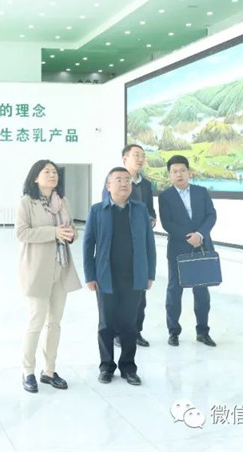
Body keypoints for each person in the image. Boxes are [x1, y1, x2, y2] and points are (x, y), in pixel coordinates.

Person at [84, 167, 156, 386]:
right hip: (105, 276)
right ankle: (106, 366)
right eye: (118, 180)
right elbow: (88, 245)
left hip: (134, 276)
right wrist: (90, 276)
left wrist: (150, 273)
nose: (124, 183)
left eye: (127, 180)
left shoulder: (140, 210)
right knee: (106, 324)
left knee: (129, 325)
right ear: (108, 186)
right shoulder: (97, 210)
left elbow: (149, 244)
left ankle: (128, 368)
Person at [16, 160, 82, 393]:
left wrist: (70, 234)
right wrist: (53, 232)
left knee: (54, 323)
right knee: (36, 321)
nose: (53, 175)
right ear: (35, 177)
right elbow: (21, 233)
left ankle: (49, 371)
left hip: (61, 267)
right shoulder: (27, 202)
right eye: (47, 172)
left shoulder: (62, 201)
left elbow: (72, 229)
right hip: (37, 269)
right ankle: (28, 371)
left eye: (55, 172)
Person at [158, 155, 217, 347]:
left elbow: (211, 215)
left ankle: (203, 332)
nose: (179, 174)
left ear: (189, 173)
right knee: (175, 291)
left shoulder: (201, 192)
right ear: (169, 175)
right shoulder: (165, 196)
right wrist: (188, 236)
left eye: (182, 170)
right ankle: (173, 332)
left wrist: (199, 234)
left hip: (201, 247)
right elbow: (167, 223)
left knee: (202, 292)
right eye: (174, 171)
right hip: (178, 249)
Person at [104, 144, 157, 348]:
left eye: (143, 156)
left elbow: (149, 209)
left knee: (139, 295)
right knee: (119, 293)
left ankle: (136, 331)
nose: (140, 159)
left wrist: (152, 218)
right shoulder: (114, 180)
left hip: (139, 247)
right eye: (136, 155)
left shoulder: (146, 184)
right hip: (119, 246)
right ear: (124, 158)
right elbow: (107, 209)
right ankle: (119, 333)